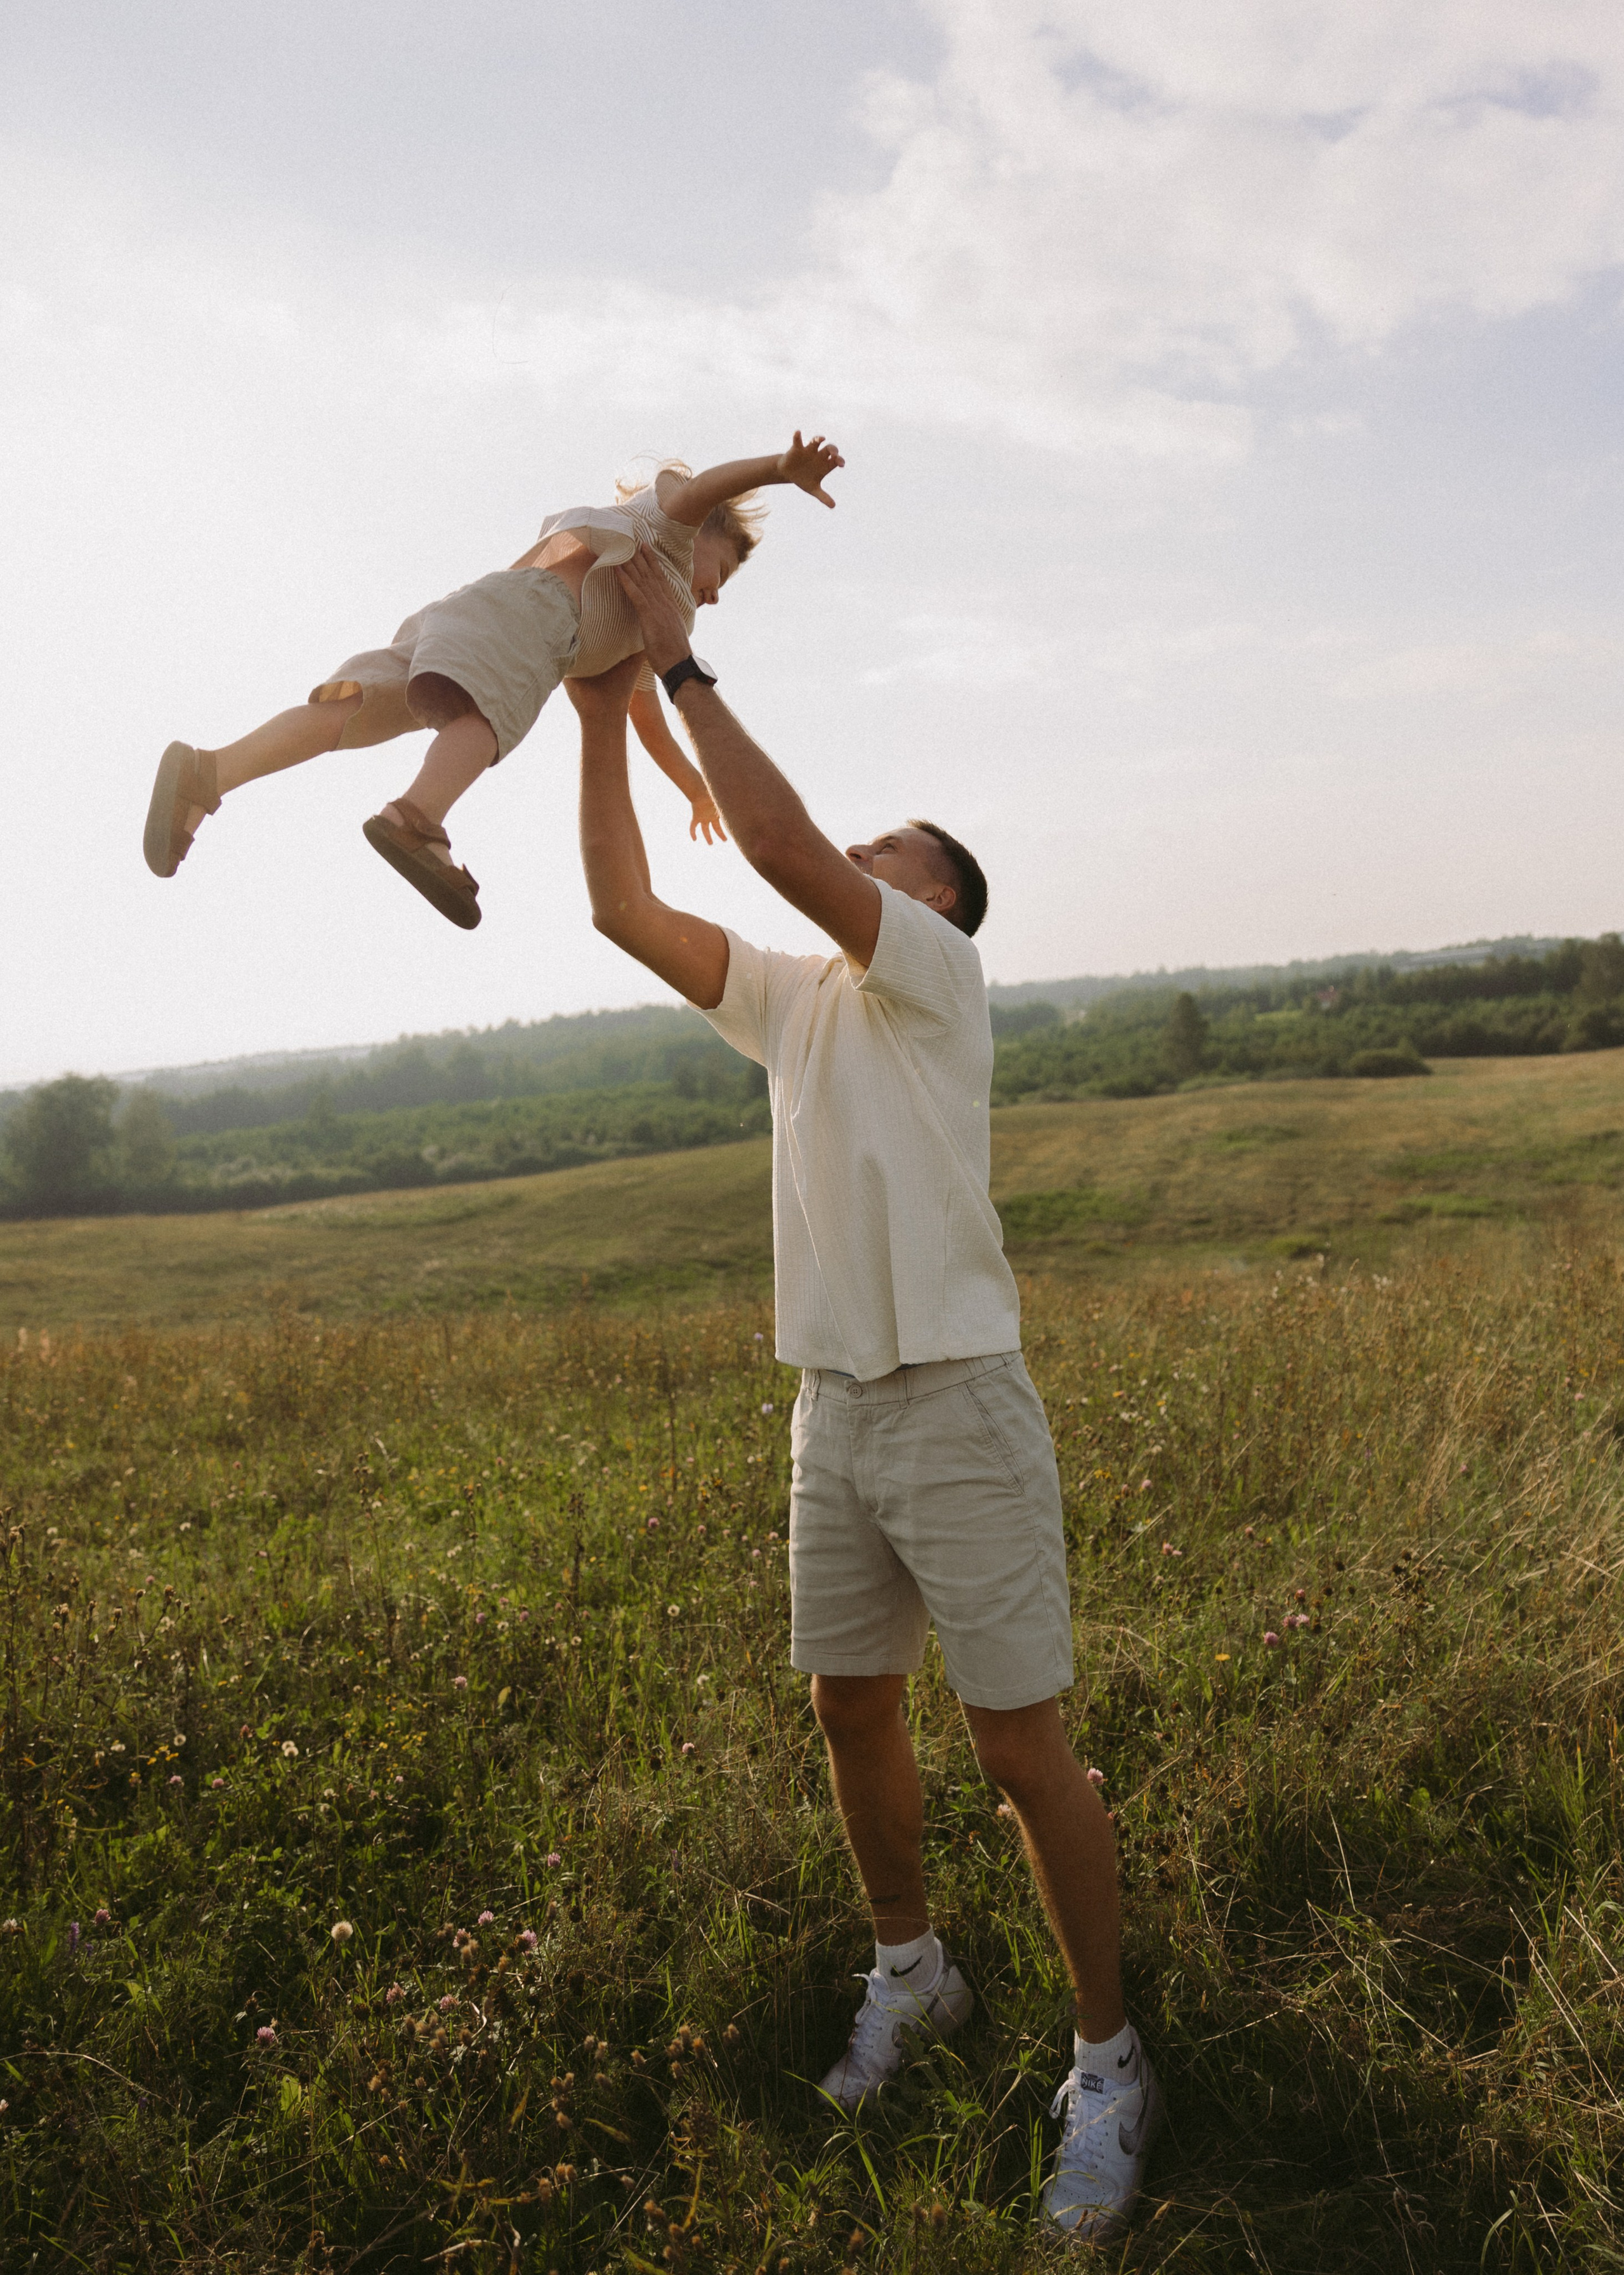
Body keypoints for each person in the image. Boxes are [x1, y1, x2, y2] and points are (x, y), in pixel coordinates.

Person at [565, 548, 1163, 2242]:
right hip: (831, 1409)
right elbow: (621, 909)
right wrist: (601, 714)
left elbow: (775, 846)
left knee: (1019, 1747)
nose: (863, 850)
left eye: (892, 845)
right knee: (847, 1707)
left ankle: (1108, 2062)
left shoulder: (932, 978)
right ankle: (913, 1976)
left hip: (960, 1399)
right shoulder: (794, 1002)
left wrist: (676, 662)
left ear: (938, 898)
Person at [141, 433, 844, 929]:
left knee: (348, 715)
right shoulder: (669, 541)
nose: (714, 595)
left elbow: (645, 718)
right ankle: (416, 820)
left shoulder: (641, 621)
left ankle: (211, 772)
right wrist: (778, 469)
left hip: (474, 611)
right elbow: (703, 490)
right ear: (703, 537)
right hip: (538, 615)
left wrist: (693, 787)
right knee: (483, 720)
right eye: (723, 573)